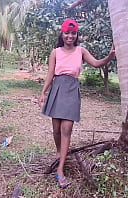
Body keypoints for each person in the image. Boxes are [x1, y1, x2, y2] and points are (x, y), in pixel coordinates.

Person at [39, 18, 115, 188]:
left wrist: (110, 56)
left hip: (72, 89)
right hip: (57, 88)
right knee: (56, 129)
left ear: (76, 34)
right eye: (67, 32)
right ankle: (60, 153)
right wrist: (43, 92)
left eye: (73, 33)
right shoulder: (55, 52)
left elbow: (96, 64)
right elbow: (50, 74)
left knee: (67, 128)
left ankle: (60, 170)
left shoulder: (81, 51)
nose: (70, 36)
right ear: (62, 33)